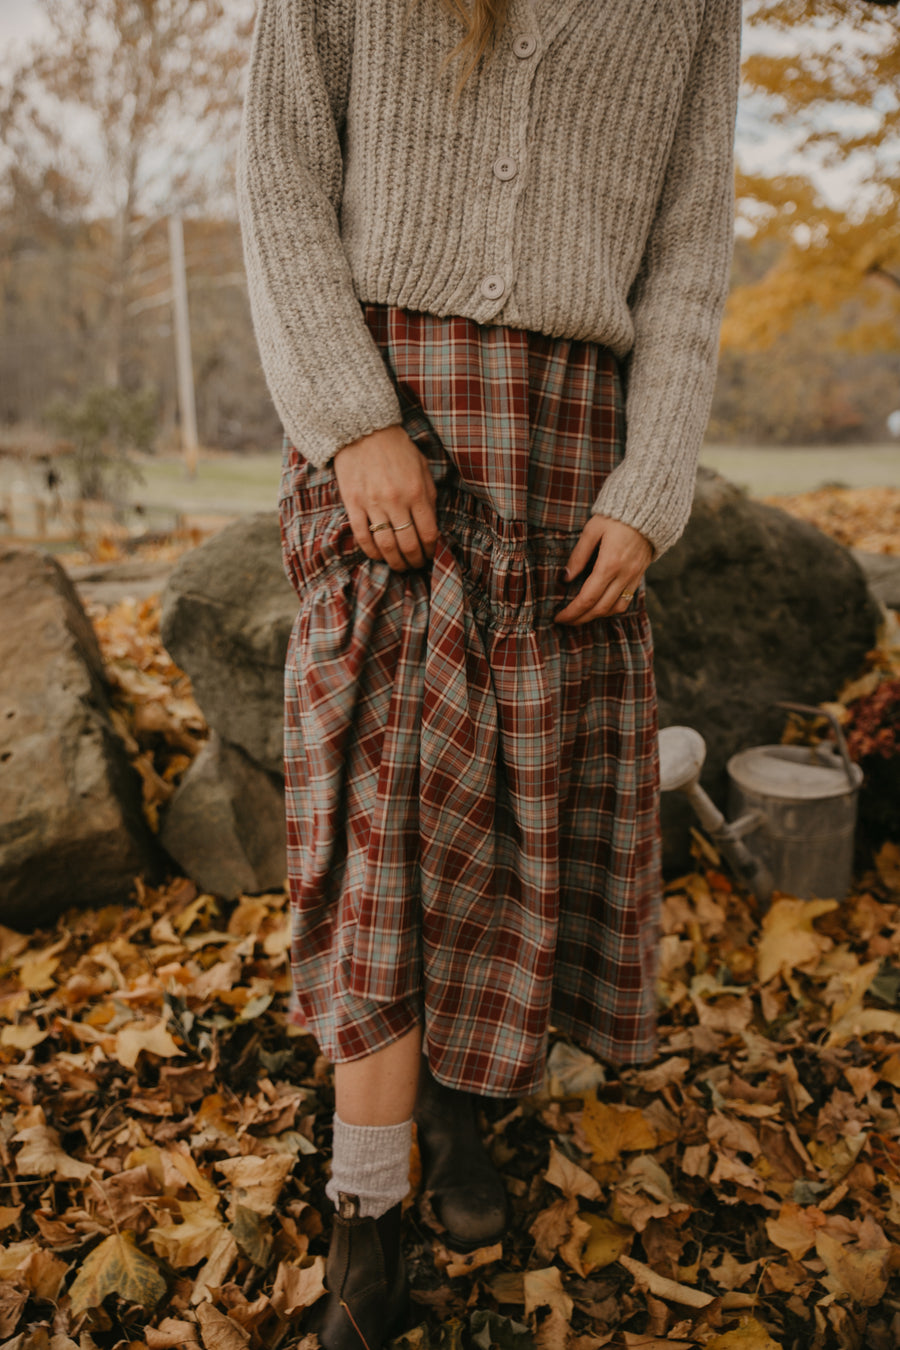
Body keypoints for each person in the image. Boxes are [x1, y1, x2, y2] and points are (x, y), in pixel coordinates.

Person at [236, 1, 741, 1345]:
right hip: (392, 412)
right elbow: (283, 167)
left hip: (577, 443)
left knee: (509, 824)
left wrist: (654, 482)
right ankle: (367, 1211)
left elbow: (691, 244)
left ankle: (453, 1097)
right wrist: (351, 418)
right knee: (383, 827)